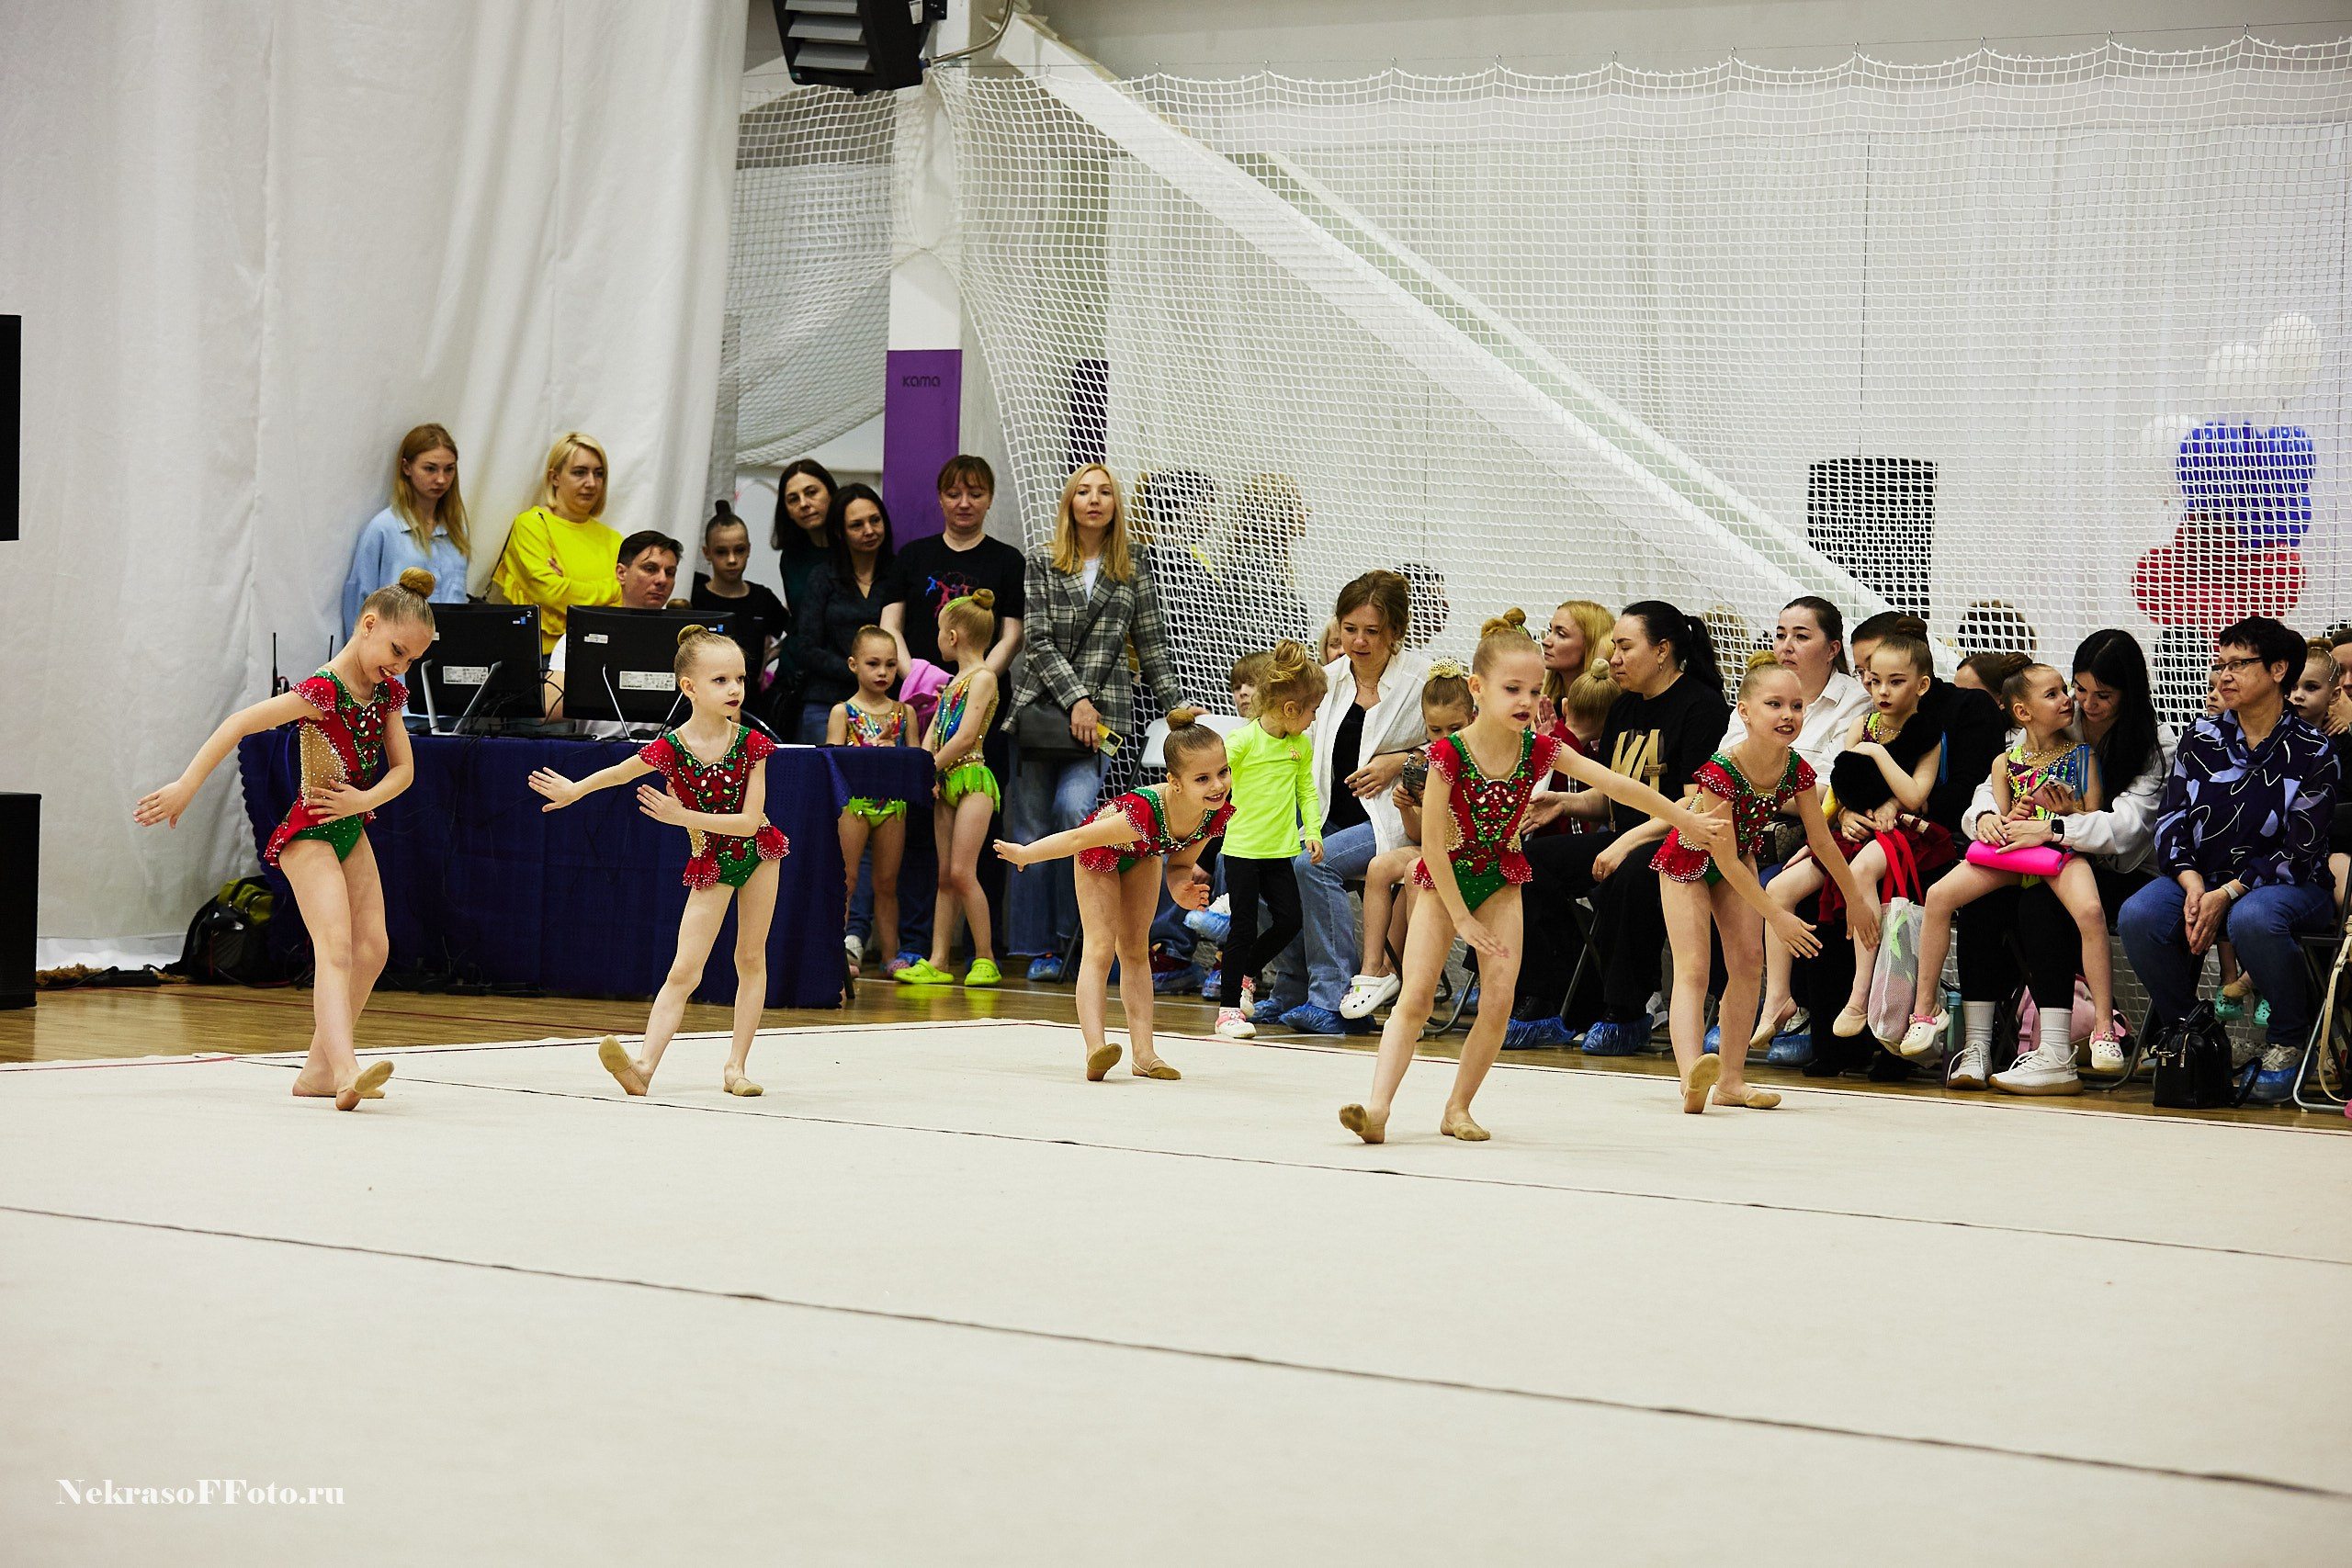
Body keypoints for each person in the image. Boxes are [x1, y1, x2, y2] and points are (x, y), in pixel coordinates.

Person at [1336, 610, 1728, 1145]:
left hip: (1502, 879)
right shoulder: (1447, 755)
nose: (1526, 700)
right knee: (1417, 999)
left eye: (1535, 689)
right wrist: (1460, 919)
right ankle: (1379, 1109)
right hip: (1443, 883)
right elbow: (1431, 846)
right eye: (1512, 689)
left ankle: (1458, 1108)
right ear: (1477, 688)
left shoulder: (1540, 749)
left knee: (1499, 1003)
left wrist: (1685, 819)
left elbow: (1619, 785)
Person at [134, 569, 441, 1111]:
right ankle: (345, 1070)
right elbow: (238, 724)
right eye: (398, 651)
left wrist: (362, 801)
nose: (402, 666)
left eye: (412, 659)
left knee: (374, 948)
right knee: (336, 946)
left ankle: (318, 1071)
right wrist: (186, 785)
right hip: (309, 833)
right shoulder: (322, 691)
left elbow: (405, 771)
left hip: (349, 826)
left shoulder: (388, 693)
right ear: (369, 625)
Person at [530, 626, 788, 1099]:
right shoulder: (670, 748)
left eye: (739, 679)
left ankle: (736, 1067)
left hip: (758, 852)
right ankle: (644, 1067)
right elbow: (619, 772)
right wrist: (576, 789)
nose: (734, 689)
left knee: (751, 958)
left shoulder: (752, 744)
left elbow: (750, 822)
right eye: (720, 680)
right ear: (689, 687)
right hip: (711, 861)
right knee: (684, 969)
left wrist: (680, 815)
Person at [2122, 617, 2342, 1102]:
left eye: (2238, 664)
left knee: (2253, 917)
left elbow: (2299, 849)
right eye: (2220, 664)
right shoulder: (2200, 737)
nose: (2223, 675)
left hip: (2290, 886)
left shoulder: (2313, 750)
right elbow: (2171, 819)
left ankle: (2289, 1041)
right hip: (2204, 878)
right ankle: (2193, 1035)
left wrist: (2227, 892)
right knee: (2139, 914)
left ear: (2278, 670)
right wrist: (2191, 881)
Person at [1951, 629, 2170, 1091]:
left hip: (2123, 872)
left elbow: (2128, 828)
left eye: (2103, 695)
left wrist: (2056, 828)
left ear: (2130, 693)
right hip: (2042, 857)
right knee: (1979, 904)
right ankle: (1977, 1046)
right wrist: (1987, 818)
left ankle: (2056, 1051)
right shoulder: (2053, 720)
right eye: (2079, 689)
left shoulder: (2155, 744)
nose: (2086, 704)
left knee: (2044, 906)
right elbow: (1992, 785)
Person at [1506, 602, 1731, 1052]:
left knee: (1630, 873)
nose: (1614, 659)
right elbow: (1613, 793)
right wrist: (1566, 802)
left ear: (1662, 650)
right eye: (1614, 647)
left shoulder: (1702, 707)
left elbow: (1694, 803)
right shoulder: (1624, 707)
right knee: (1526, 864)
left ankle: (1628, 1010)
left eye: (1626, 647)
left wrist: (1626, 841)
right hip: (1624, 838)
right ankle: (1550, 996)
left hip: (1681, 842)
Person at [1654, 660, 1876, 1112]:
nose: (1787, 715)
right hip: (1689, 861)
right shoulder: (1720, 771)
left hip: (1739, 859)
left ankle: (1731, 1081)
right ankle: (1691, 1076)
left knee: (1749, 965)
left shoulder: (1797, 769)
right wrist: (1776, 915)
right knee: (1694, 969)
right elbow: (1722, 857)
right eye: (1774, 704)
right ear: (1745, 712)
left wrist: (1855, 898)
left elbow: (1822, 840)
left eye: (1796, 706)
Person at [1001, 465, 1187, 977]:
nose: (1094, 499)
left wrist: (1175, 704)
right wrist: (1077, 700)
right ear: (1070, 502)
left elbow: (1151, 641)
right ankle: (1036, 948)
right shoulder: (1041, 560)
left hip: (1106, 720)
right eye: (1083, 491)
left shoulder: (1134, 562)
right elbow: (1037, 642)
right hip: (1041, 712)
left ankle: (1075, 940)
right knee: (1031, 828)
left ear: (1115, 505)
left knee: (1077, 813)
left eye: (1105, 491)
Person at [1896, 663, 2118, 1085]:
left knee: (2090, 911)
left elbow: (2093, 812)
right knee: (1940, 895)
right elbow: (1998, 813)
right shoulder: (2004, 762)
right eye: (2052, 694)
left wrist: (2068, 812)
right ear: (2022, 712)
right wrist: (2001, 818)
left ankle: (2104, 1030)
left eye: (2064, 690)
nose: (2067, 700)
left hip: (2058, 854)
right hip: (2015, 857)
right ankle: (1925, 1012)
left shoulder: (2082, 756)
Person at [997, 717, 1228, 1080]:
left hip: (1144, 853)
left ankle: (1145, 1054)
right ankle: (1095, 1049)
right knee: (1100, 947)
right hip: (1099, 852)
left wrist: (1181, 890)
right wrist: (1027, 853)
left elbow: (1181, 864)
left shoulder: (1212, 814)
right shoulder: (1143, 811)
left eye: (1222, 772)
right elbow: (1078, 838)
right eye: (1203, 779)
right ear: (1175, 782)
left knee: (1136, 950)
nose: (1217, 785)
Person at [1756, 632, 1956, 1043]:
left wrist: (1877, 753)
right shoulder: (1860, 726)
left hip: (1905, 833)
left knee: (1862, 869)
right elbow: (1841, 789)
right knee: (1779, 888)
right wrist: (1837, 821)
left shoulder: (1928, 733)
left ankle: (1860, 994)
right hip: (1854, 829)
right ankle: (1778, 997)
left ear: (1921, 685)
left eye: (1895, 682)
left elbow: (1914, 796)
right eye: (1874, 680)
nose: (1882, 691)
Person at [1264, 570, 1432, 1034]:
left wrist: (1399, 761)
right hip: (1327, 815)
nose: (1358, 641)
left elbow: (1460, 742)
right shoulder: (1325, 679)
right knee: (1262, 857)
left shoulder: (1423, 680)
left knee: (1314, 864)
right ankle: (1291, 986)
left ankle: (1334, 998)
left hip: (1394, 821)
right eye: (1349, 629)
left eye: (1371, 631)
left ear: (1395, 631)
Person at [1343, 662, 1474, 1020]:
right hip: (1434, 848)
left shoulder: (1478, 760)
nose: (1444, 738)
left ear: (1473, 718)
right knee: (1379, 866)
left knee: (1417, 871)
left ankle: (1414, 984)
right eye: (1435, 730)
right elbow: (1419, 834)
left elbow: (1469, 827)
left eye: (1455, 728)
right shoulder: (1428, 762)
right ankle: (1373, 969)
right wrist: (1406, 809)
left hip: (1469, 852)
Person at [1211, 642, 1329, 1038]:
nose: (1314, 719)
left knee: (1290, 920)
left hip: (1280, 852)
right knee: (1242, 928)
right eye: (1312, 710)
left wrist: (1313, 831)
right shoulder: (1242, 742)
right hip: (1242, 851)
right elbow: (1213, 781)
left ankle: (1246, 970)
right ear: (1291, 709)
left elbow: (1306, 791)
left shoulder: (1300, 746)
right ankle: (1228, 1011)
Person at [899, 592, 1006, 987]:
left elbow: (964, 737)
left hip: (973, 779)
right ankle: (938, 959)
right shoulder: (952, 682)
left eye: (940, 631)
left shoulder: (984, 677)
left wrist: (929, 766)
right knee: (944, 875)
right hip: (945, 781)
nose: (938, 638)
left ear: (954, 636)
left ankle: (986, 957)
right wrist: (922, 768)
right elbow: (934, 732)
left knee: (962, 872)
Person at [881, 455, 1025, 684]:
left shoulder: (1009, 561)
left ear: (990, 499)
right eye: (953, 495)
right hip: (914, 692)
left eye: (975, 495)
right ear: (940, 498)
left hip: (982, 694)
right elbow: (890, 627)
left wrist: (970, 685)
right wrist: (916, 680)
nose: (964, 503)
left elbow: (1012, 637)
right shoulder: (911, 555)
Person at [828, 626, 915, 979]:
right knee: (846, 879)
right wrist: (867, 752)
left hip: (893, 805)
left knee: (887, 883)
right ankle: (836, 954)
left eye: (891, 665)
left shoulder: (904, 712)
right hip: (854, 805)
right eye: (873, 664)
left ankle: (890, 955)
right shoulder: (843, 711)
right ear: (853, 665)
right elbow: (832, 762)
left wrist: (895, 752)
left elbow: (917, 761)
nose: (883, 672)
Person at [787, 484, 898, 744]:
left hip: (886, 702)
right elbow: (807, 648)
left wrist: (875, 673)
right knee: (823, 770)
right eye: (857, 525)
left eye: (875, 520)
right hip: (826, 701)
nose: (869, 530)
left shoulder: (898, 574)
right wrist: (860, 672)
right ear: (839, 532)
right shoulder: (822, 576)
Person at [492, 433, 619, 655]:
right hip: (545, 657)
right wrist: (612, 589)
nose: (591, 483)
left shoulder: (614, 539)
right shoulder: (533, 525)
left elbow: (627, 600)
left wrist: (567, 585)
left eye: (598, 474)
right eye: (579, 472)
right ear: (555, 477)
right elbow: (549, 593)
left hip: (603, 654)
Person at [341, 423, 470, 636]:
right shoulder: (383, 529)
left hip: (449, 647)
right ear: (406, 467)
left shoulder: (457, 530)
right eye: (430, 468)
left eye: (449, 469)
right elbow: (359, 602)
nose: (441, 479)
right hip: (395, 650)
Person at [1721, 597, 1868, 784]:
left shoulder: (1856, 701)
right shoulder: (1758, 688)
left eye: (1801, 637)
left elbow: (1827, 785)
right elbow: (1723, 765)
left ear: (1832, 650)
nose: (1786, 647)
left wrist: (1753, 791)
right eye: (1781, 636)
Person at [543, 531, 683, 721]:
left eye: (670, 573)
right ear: (621, 573)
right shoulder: (581, 635)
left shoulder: (690, 640)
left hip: (672, 741)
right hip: (601, 740)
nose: (662, 580)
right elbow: (549, 708)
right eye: (650, 569)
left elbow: (723, 712)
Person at [692, 500, 787, 690]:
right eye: (721, 552)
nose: (732, 559)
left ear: (749, 549)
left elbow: (799, 634)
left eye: (739, 550)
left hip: (752, 701)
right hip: (703, 700)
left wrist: (771, 655)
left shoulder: (763, 598)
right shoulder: (694, 599)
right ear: (707, 553)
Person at [2287, 638, 2352, 909]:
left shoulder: (2342, 741)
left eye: (2310, 687)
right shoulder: (2272, 739)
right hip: (2281, 849)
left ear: (2334, 695)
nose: (2298, 695)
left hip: (2329, 845)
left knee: (2340, 873)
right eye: (2292, 687)